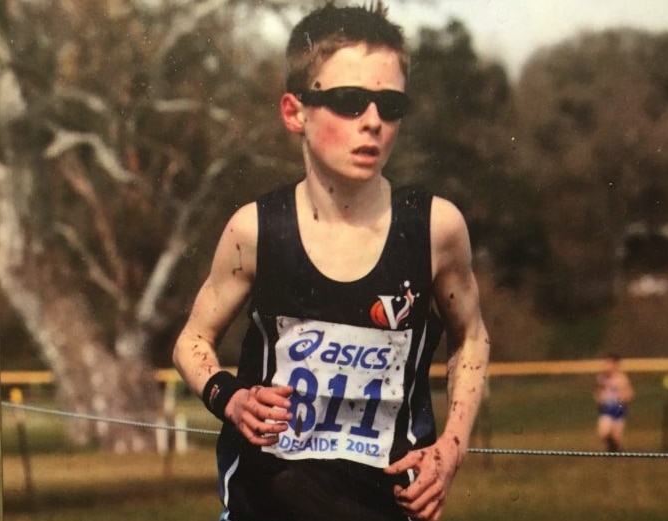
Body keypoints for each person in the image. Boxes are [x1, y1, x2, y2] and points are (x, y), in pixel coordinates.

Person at [172, 3, 490, 520]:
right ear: (295, 112)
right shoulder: (256, 230)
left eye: (390, 105)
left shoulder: (436, 229)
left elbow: (471, 337)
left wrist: (450, 449)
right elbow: (191, 341)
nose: (372, 122)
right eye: (349, 101)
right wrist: (229, 398)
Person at [594, 353, 634, 452]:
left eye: (610, 363)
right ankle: (614, 448)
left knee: (616, 436)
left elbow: (629, 393)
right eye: (606, 363)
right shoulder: (602, 377)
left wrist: (624, 399)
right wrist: (599, 399)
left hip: (618, 409)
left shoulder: (621, 378)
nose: (607, 366)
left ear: (616, 365)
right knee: (603, 433)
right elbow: (599, 391)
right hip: (607, 409)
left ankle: (615, 449)